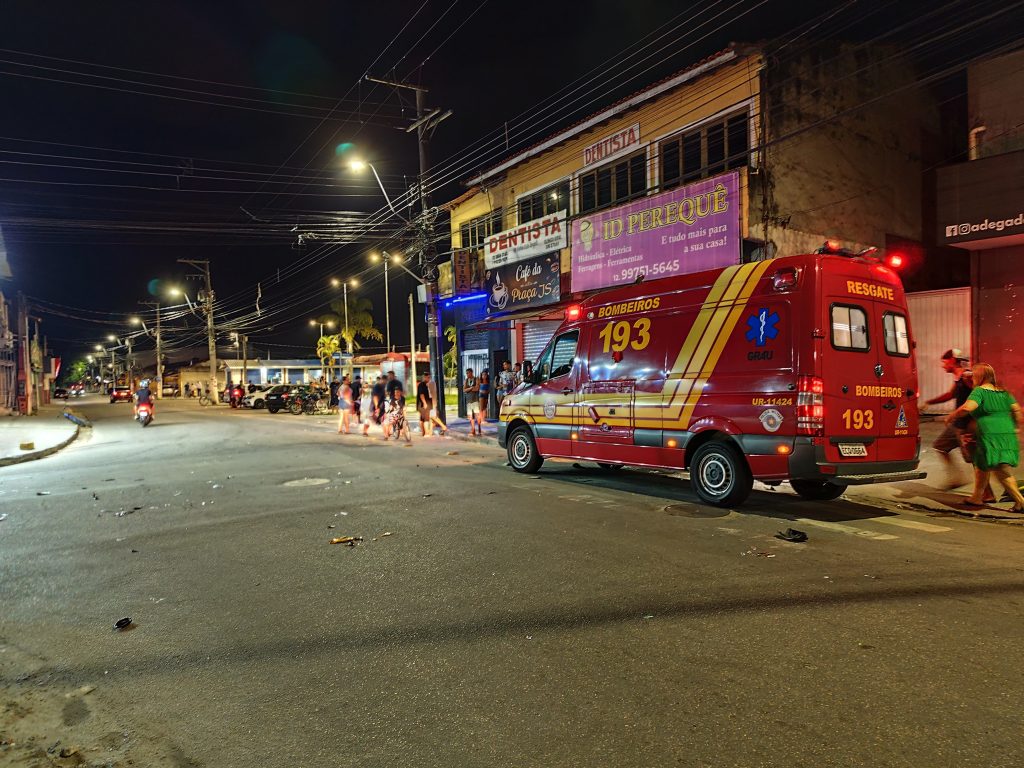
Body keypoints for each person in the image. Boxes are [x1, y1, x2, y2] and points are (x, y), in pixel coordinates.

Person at [945, 363, 1024, 511]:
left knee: (1000, 469)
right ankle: (976, 497)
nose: (972, 378)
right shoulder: (1004, 393)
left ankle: (1021, 501)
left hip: (990, 434)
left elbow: (968, 408)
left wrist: (952, 415)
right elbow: (1017, 411)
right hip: (1006, 433)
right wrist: (1015, 428)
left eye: (974, 375)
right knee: (982, 465)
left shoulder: (980, 392)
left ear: (979, 377)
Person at [921, 349, 985, 492]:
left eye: (944, 362)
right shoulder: (958, 379)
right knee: (940, 446)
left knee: (974, 458)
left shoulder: (966, 377)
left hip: (968, 425)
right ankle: (956, 479)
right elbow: (951, 395)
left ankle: (986, 493)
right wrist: (929, 402)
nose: (943, 366)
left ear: (952, 361)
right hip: (957, 424)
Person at [463, 368, 481, 436]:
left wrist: (468, 389)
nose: (467, 374)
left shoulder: (476, 379)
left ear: (471, 373)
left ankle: (479, 428)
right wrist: (470, 388)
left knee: (477, 415)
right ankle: (473, 430)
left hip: (475, 400)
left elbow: (477, 388)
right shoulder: (466, 380)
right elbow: (464, 390)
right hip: (468, 400)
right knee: (470, 416)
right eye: (466, 373)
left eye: (468, 373)